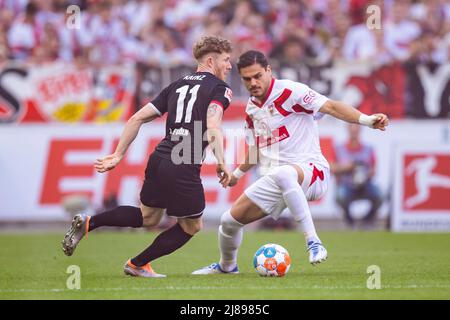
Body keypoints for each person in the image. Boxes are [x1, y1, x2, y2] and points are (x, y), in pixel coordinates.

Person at [192, 50, 388, 275]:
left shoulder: (292, 91)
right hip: (279, 179)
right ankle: (227, 267)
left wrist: (367, 120)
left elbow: (332, 107)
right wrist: (236, 174)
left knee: (283, 173)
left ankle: (313, 241)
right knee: (228, 221)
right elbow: (257, 150)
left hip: (313, 172)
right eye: (247, 79)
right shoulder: (252, 109)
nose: (253, 83)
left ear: (268, 71)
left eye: (258, 76)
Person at [62, 36, 233, 278]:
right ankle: (137, 264)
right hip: (184, 161)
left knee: (148, 216)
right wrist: (222, 162)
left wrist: (118, 154)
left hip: (160, 158)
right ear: (210, 60)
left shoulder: (176, 85)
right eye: (226, 60)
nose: (229, 66)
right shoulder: (220, 88)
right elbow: (213, 124)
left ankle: (90, 222)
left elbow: (136, 118)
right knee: (192, 225)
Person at [331, 123, 383, 229]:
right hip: (346, 185)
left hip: (365, 185)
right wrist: (348, 168)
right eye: (352, 129)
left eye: (356, 129)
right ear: (347, 130)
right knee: (340, 196)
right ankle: (350, 220)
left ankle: (367, 221)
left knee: (380, 195)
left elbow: (373, 170)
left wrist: (364, 173)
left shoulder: (369, 149)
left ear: (360, 130)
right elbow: (332, 168)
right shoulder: (339, 149)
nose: (354, 132)